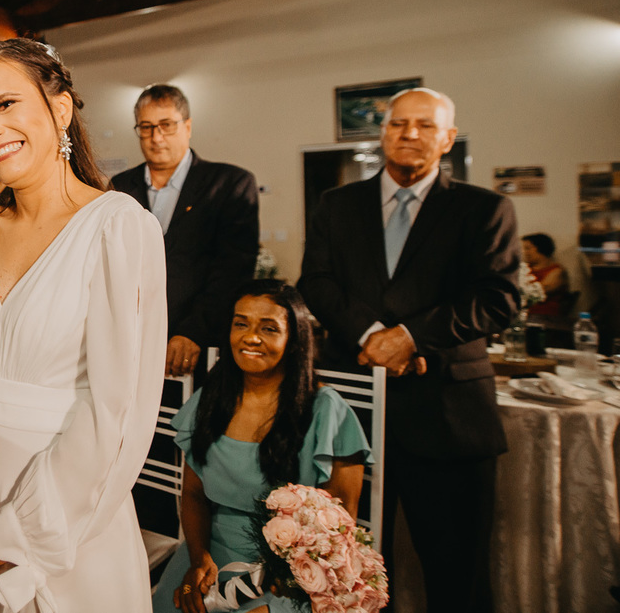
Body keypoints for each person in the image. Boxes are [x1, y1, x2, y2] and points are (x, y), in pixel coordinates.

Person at [0, 38, 168, 612]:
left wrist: (9, 534)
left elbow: (118, 414)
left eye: (7, 104)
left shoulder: (120, 227)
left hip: (66, 521)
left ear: (59, 109)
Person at [299, 88, 519, 613]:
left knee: (455, 572)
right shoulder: (337, 204)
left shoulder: (484, 209)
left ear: (447, 138)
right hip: (352, 414)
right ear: (382, 133)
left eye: (425, 125)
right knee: (350, 567)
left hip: (448, 415)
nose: (410, 134)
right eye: (399, 124)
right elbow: (318, 282)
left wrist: (411, 337)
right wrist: (375, 336)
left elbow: (498, 298)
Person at [152, 279, 372, 613]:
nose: (251, 337)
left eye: (269, 328)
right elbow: (194, 495)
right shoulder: (209, 401)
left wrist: (272, 598)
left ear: (294, 339)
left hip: (293, 573)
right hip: (208, 549)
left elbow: (338, 531)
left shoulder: (328, 411)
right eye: (241, 323)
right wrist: (198, 560)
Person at [110, 84, 260, 386]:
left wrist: (193, 331)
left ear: (187, 126)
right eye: (146, 127)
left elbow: (233, 270)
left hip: (200, 346)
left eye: (166, 125)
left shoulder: (229, 184)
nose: (156, 137)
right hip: (129, 345)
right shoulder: (120, 187)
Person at [522, 233, 569, 316]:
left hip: (543, 316)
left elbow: (537, 292)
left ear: (541, 248)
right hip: (523, 314)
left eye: (528, 248)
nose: (524, 252)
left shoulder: (557, 272)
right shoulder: (524, 268)